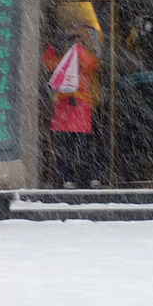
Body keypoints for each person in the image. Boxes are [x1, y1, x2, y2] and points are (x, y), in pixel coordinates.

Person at [43, 24, 102, 189]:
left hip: (81, 106)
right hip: (63, 107)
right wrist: (54, 46)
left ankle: (92, 177)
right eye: (73, 40)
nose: (76, 42)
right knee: (64, 147)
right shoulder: (63, 60)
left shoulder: (89, 58)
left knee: (84, 146)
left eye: (80, 39)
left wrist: (77, 48)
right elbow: (47, 62)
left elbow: (89, 63)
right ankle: (66, 178)